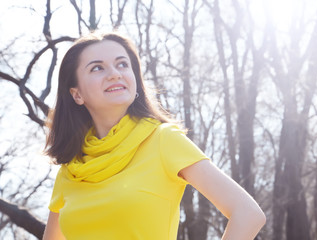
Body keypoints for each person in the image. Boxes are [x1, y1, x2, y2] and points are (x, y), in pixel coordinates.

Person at [42, 32, 265, 240]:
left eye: (122, 64)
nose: (115, 74)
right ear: (77, 94)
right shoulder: (70, 169)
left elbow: (247, 213)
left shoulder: (163, 140)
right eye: (97, 68)